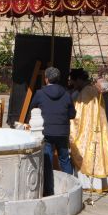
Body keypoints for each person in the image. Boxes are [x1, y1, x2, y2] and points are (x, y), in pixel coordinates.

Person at [30, 66, 76, 196]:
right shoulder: (66, 94)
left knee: (47, 160)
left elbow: (33, 109)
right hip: (62, 131)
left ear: (46, 79)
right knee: (65, 160)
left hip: (47, 131)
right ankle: (69, 190)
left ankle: (48, 190)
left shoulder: (40, 93)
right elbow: (72, 114)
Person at [69, 70, 108, 193]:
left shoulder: (85, 93)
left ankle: (86, 184)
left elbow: (77, 117)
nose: (73, 85)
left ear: (79, 80)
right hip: (98, 130)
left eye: (74, 82)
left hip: (86, 132)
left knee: (84, 154)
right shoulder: (95, 91)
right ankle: (98, 185)